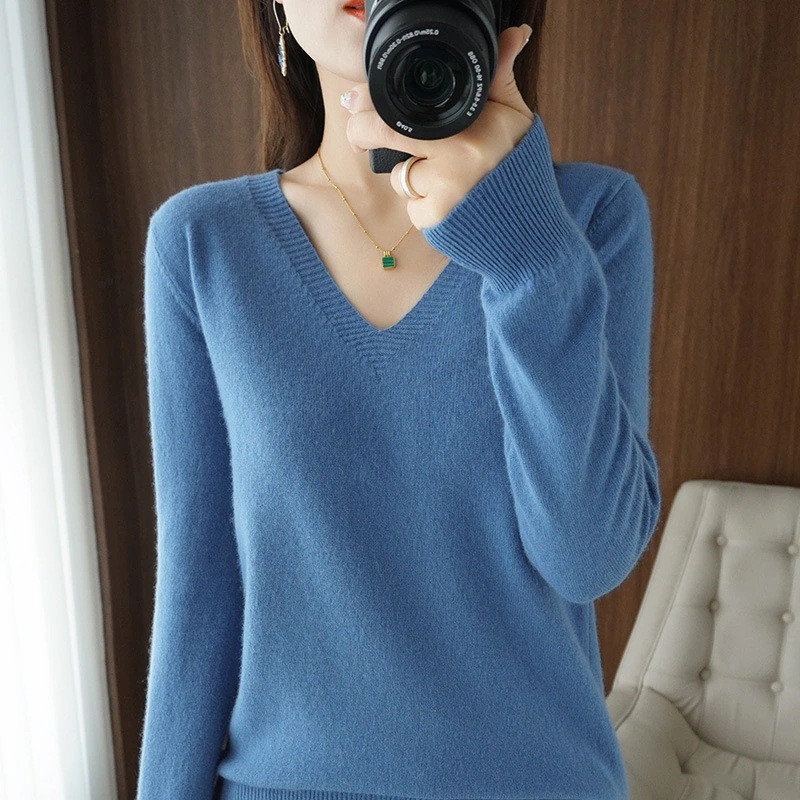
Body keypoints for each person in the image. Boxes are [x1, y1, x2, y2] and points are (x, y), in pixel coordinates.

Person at [135, 0, 662, 798]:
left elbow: (588, 556)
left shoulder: (587, 218)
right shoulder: (202, 242)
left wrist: (528, 257)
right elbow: (196, 589)